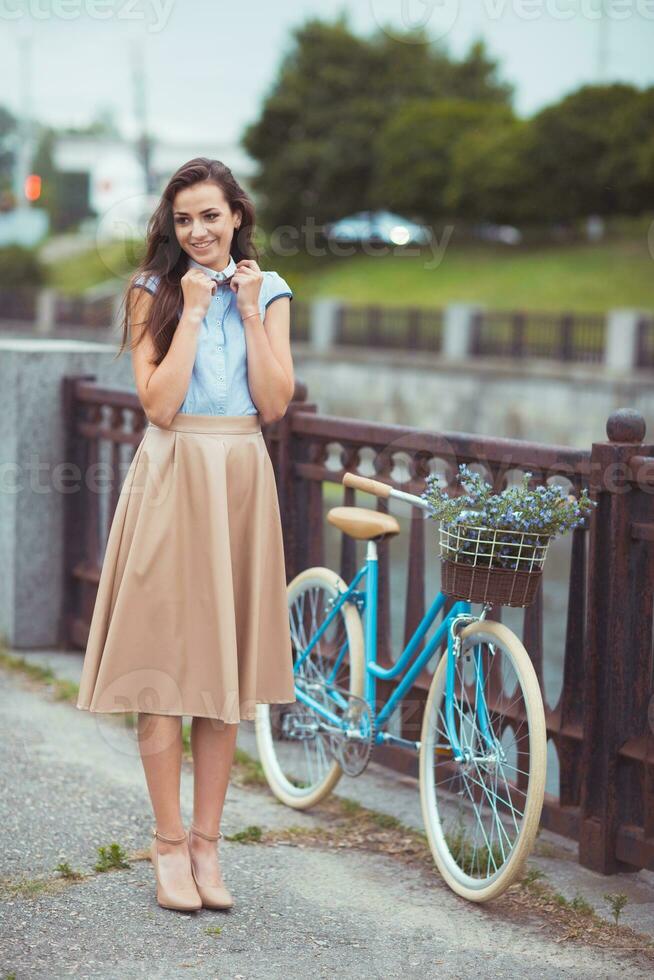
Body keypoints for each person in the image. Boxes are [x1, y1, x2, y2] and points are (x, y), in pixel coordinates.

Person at [76, 157, 297, 912]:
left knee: (223, 676)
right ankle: (168, 843)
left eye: (210, 215)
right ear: (170, 229)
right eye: (183, 219)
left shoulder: (270, 292)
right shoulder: (151, 293)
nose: (197, 231)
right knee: (165, 669)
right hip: (173, 476)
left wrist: (243, 304)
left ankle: (208, 844)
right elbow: (159, 407)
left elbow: (273, 403)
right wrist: (196, 311)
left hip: (239, 474)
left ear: (237, 214)